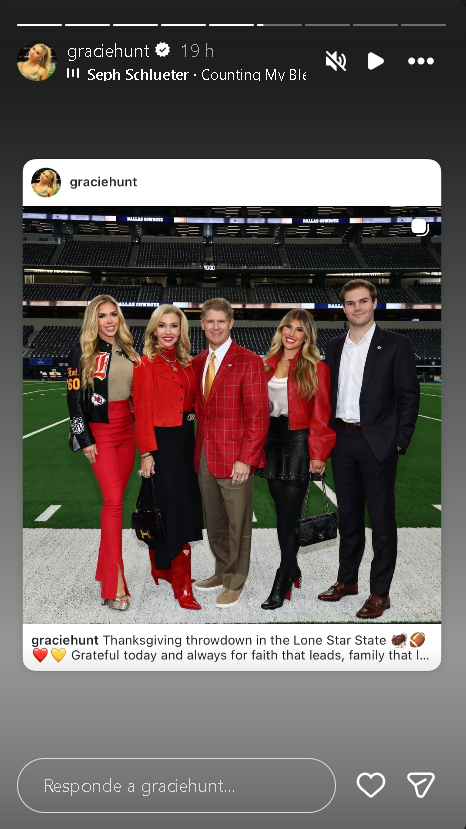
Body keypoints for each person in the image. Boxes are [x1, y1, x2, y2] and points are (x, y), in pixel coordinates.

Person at [318, 279, 420, 618]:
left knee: (380, 520)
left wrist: (400, 440)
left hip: (378, 442)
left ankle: (380, 593)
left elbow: (408, 395)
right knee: (348, 517)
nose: (357, 307)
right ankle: (347, 580)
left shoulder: (396, 344)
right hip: (342, 441)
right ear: (343, 308)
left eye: (363, 301)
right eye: (350, 302)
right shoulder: (334, 345)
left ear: (374, 303)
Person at [192, 298, 269, 608]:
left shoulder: (249, 360)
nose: (216, 327)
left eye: (221, 321)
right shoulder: (198, 361)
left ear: (231, 323)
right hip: (205, 456)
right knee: (215, 522)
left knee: (238, 525)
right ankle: (223, 570)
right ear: (202, 325)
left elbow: (258, 415)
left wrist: (247, 459)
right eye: (210, 321)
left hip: (236, 457)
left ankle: (236, 580)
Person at [256, 310, 336, 609]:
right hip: (271, 442)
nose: (291, 333)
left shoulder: (317, 368)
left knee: (289, 515)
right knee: (281, 514)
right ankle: (292, 566)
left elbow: (322, 413)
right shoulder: (265, 364)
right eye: (287, 326)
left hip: (300, 442)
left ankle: (283, 576)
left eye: (299, 329)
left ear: (307, 336)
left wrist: (319, 454)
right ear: (280, 330)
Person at [67, 295, 140, 611]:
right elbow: (73, 400)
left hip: (128, 432)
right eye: (102, 316)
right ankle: (115, 584)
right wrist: (84, 438)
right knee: (113, 503)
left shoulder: (129, 349)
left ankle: (105, 571)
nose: (109, 321)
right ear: (92, 320)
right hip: (101, 433)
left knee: (116, 501)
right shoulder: (82, 352)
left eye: (113, 314)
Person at [132, 306, 203, 611]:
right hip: (162, 444)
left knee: (175, 505)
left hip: (186, 441)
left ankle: (161, 567)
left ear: (181, 330)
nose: (168, 332)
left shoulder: (187, 363)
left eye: (174, 326)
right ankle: (182, 584)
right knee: (173, 510)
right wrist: (146, 453)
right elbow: (142, 411)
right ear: (153, 330)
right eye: (162, 326)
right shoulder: (144, 364)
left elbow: (195, 403)